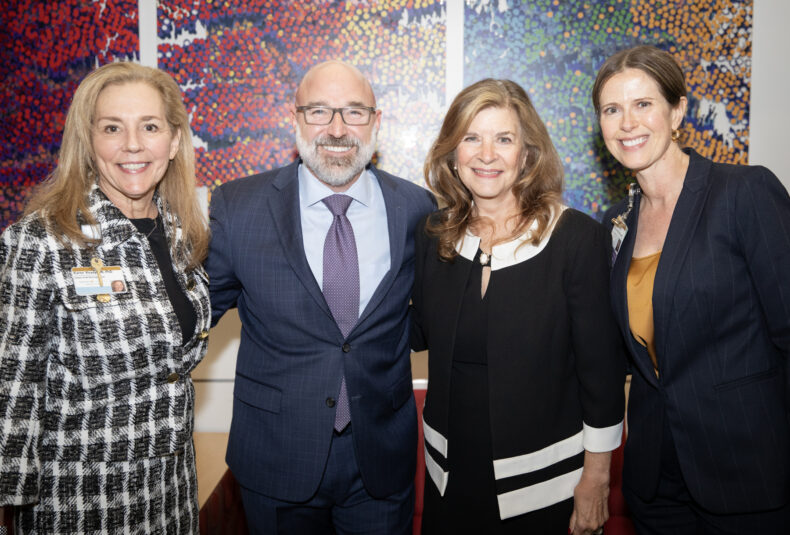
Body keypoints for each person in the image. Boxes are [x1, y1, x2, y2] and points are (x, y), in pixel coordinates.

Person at [205, 60, 435, 534]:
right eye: (319, 111)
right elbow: (191, 316)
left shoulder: (417, 208)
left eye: (354, 111)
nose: (337, 128)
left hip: (380, 458)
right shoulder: (238, 206)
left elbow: (429, 317)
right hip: (276, 456)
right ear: (294, 119)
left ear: (376, 121)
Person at [0, 62, 211, 534]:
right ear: (89, 142)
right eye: (112, 128)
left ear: (173, 141)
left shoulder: (184, 236)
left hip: (172, 496)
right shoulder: (42, 240)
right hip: (77, 502)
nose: (132, 144)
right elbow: (12, 389)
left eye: (150, 127)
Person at [410, 78, 626, 534]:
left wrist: (597, 478)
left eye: (504, 139)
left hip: (546, 487)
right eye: (472, 138)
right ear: (453, 153)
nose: (486, 155)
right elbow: (412, 333)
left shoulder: (576, 239)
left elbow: (602, 377)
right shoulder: (433, 236)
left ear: (527, 154)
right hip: (448, 479)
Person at [596, 45, 790, 534]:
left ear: (677, 110)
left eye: (643, 104)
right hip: (656, 480)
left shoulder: (743, 192)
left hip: (750, 472)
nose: (627, 123)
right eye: (611, 110)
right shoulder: (616, 222)